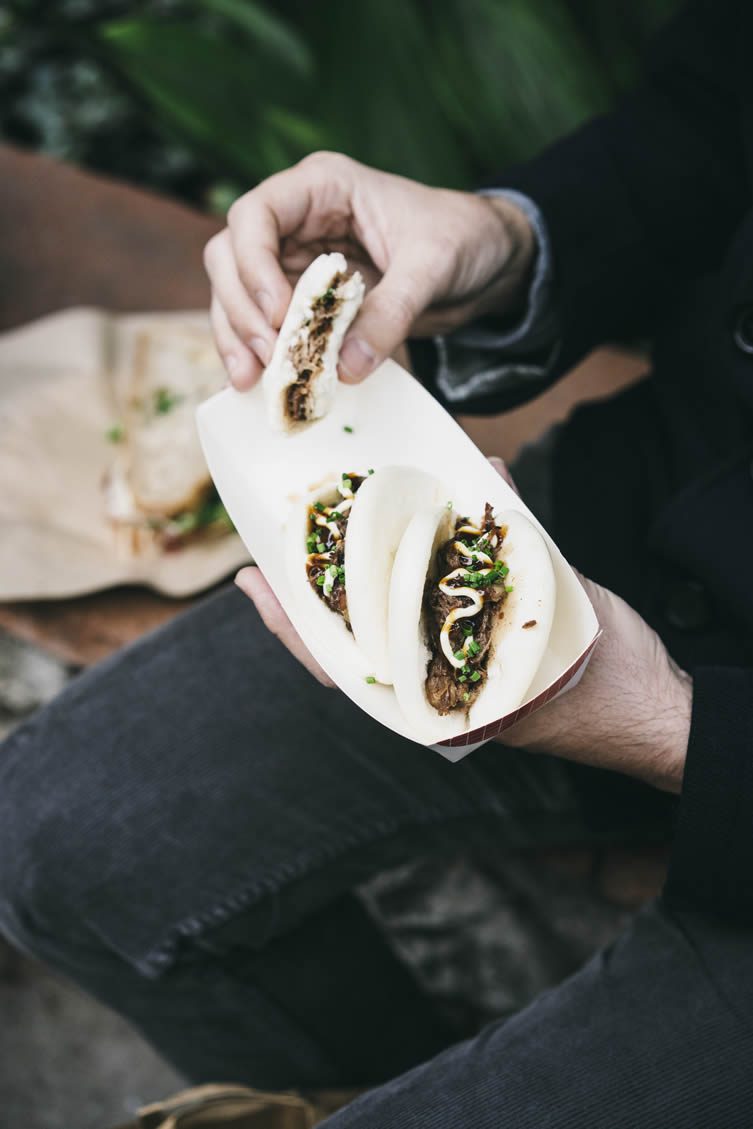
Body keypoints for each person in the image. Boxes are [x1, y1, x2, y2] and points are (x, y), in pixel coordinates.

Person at [2, 0, 752, 1124]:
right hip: (645, 502)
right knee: (55, 841)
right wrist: (511, 239)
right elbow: (713, 117)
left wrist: (673, 729)